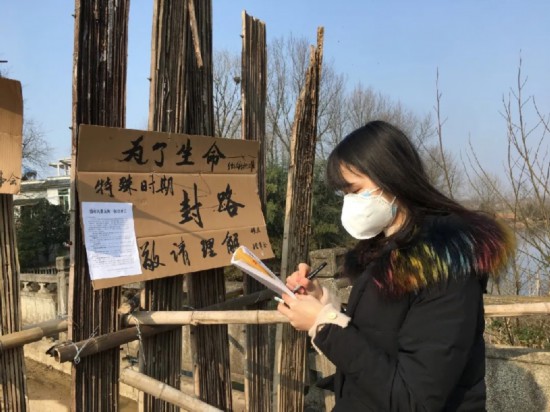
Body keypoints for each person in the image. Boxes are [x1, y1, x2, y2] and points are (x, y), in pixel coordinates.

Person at [277, 120, 515, 411]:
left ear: (391, 178)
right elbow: (378, 338)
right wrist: (323, 303)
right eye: (344, 194)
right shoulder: (387, 249)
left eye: (355, 190)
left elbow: (414, 399)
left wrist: (323, 325)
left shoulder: (444, 266)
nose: (349, 203)